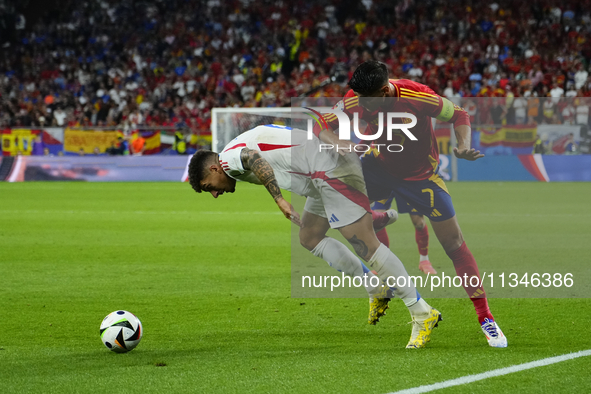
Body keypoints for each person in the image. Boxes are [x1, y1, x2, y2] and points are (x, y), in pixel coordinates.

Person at [188, 124, 442, 349]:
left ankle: (422, 313)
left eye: (209, 187)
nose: (215, 194)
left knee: (367, 246)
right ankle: (375, 285)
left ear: (213, 168)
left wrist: (279, 200)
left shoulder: (227, 159)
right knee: (309, 236)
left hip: (330, 171)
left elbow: (254, 157)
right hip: (320, 175)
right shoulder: (232, 153)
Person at [315, 60, 507, 348]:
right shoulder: (356, 97)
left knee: (454, 244)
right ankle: (375, 218)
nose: (361, 108)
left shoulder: (417, 96)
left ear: (383, 91)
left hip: (421, 177)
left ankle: (485, 317)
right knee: (331, 194)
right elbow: (320, 124)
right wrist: (337, 143)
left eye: (367, 101)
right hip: (378, 168)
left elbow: (459, 114)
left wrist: (464, 145)